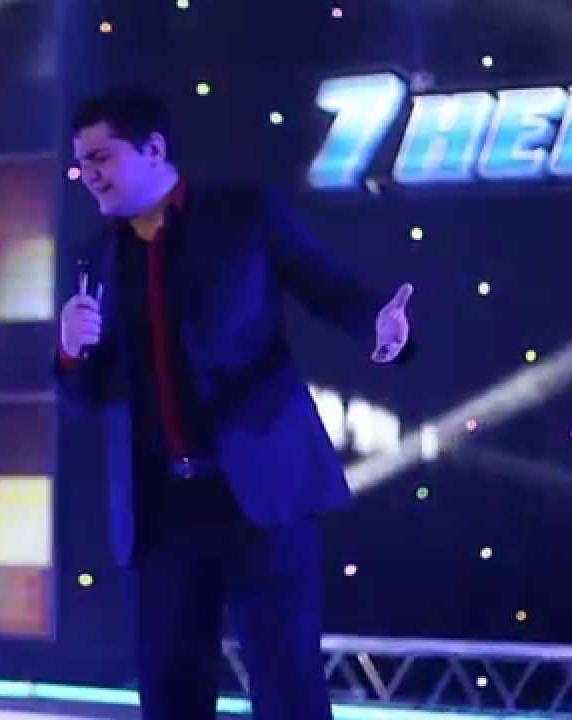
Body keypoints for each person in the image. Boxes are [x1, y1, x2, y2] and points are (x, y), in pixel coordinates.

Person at [55, 87, 415, 720]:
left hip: (259, 494)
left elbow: (327, 287)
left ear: (154, 149)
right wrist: (70, 351)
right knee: (170, 692)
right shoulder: (96, 255)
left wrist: (379, 327)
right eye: (82, 164)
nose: (89, 176)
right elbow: (89, 398)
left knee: (286, 685)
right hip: (160, 512)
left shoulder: (243, 215)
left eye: (102, 158)